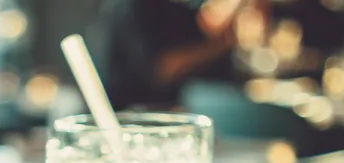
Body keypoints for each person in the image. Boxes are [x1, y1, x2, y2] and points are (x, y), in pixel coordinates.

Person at [97, 0, 262, 108]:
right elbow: (162, 70)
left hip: (171, 113)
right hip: (124, 118)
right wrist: (223, 45)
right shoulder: (131, 6)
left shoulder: (174, 7)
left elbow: (206, 28)